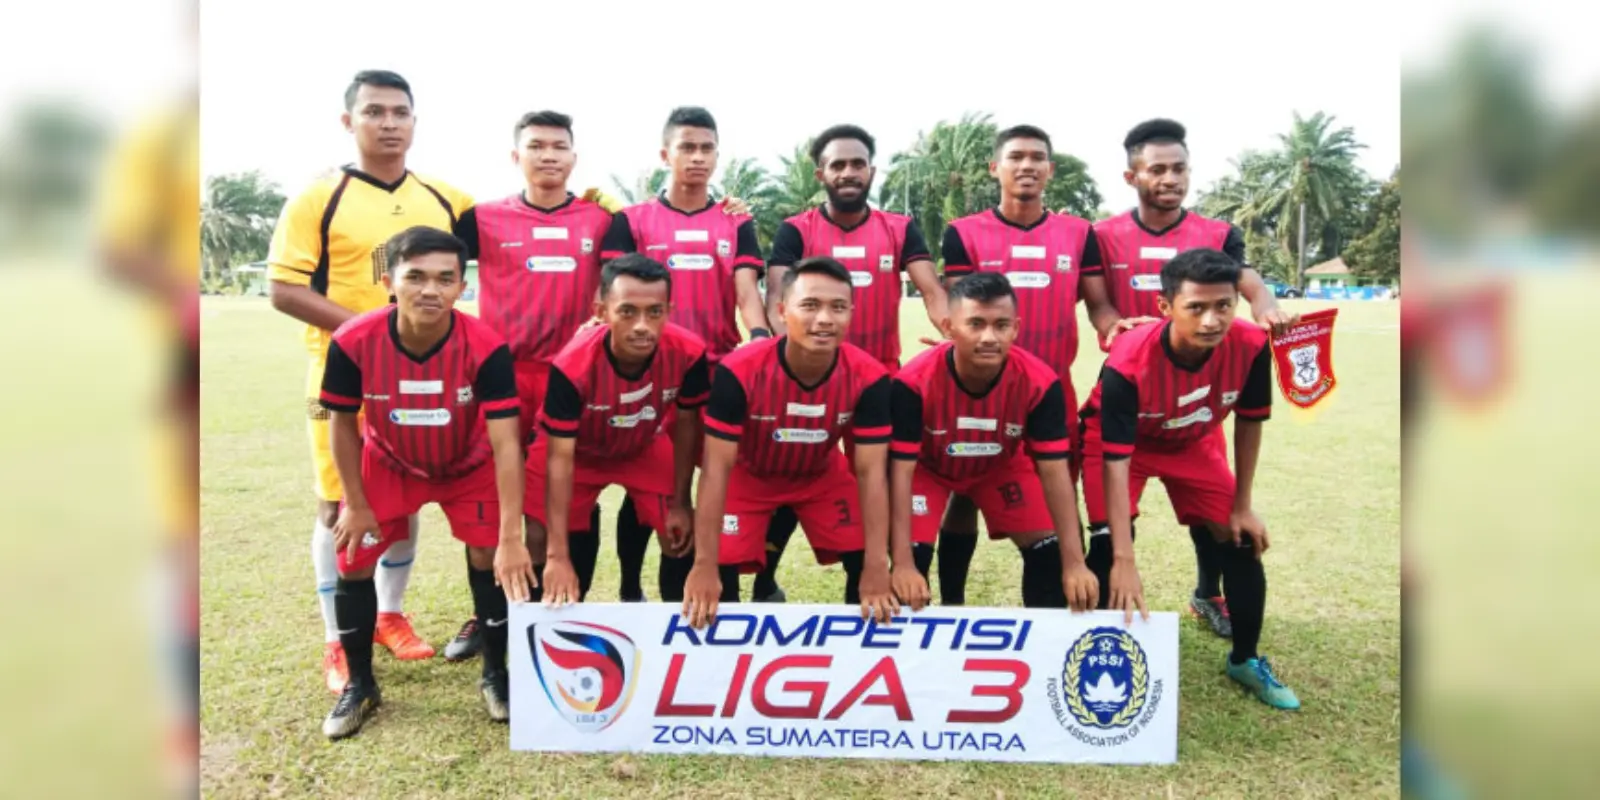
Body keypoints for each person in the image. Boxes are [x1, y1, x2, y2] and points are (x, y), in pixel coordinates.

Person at [267, 70, 474, 691]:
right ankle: (338, 638)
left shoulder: (445, 199)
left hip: (421, 378)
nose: (389, 123)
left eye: (400, 112)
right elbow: (283, 288)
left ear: (414, 121)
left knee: (402, 496)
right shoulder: (317, 199)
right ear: (348, 121)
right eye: (374, 111)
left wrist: (601, 204)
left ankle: (388, 614)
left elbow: (522, 222)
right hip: (343, 373)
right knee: (338, 502)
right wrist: (372, 332)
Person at [1091, 118, 1299, 638]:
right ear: (1132, 176)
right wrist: (1114, 326)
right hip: (1132, 385)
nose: (1171, 178)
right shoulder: (1103, 235)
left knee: (1214, 517)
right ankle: (1103, 626)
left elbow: (1246, 280)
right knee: (1109, 528)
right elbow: (1097, 302)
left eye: (1179, 168)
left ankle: (1208, 595)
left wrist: (1265, 304)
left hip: (1195, 400)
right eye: (1158, 169)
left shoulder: (1218, 234)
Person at [315, 227, 525, 739]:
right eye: (416, 277)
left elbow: (506, 443)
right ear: (390, 281)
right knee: (354, 558)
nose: (431, 289)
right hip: (388, 463)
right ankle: (360, 684)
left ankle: (495, 675)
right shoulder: (353, 341)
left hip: (468, 466)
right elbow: (341, 424)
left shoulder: (486, 346)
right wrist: (354, 503)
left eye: (445, 279)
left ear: (461, 287)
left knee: (488, 557)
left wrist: (511, 535)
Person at [1078, 247, 1300, 710]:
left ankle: (1245, 659)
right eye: (1195, 307)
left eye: (1223, 306)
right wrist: (1124, 557)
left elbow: (1250, 422)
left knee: (1241, 539)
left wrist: (1242, 505)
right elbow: (1116, 460)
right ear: (1165, 306)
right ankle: (1092, 658)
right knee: (1106, 545)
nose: (1211, 321)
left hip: (1191, 439)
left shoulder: (1251, 344)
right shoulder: (1128, 360)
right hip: (1124, 445)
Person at [440, 110, 618, 663]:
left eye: (558, 146)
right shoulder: (482, 218)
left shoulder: (601, 220)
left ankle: (559, 611)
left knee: (565, 496)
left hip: (572, 377)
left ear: (574, 157)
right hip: (500, 376)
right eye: (536, 145)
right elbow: (426, 259)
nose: (548, 155)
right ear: (515, 156)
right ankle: (491, 612)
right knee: (494, 499)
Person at [753, 123, 950, 604]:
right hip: (809, 384)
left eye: (857, 163)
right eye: (837, 164)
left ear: (871, 172)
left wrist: (956, 331)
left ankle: (862, 588)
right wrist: (794, 365)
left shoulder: (899, 229)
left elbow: (931, 291)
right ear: (820, 173)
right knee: (796, 472)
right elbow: (777, 299)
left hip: (877, 384)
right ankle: (763, 579)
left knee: (874, 486)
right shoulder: (796, 230)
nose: (848, 172)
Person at [935, 124, 1125, 606]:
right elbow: (957, 306)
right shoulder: (963, 232)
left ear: (1050, 170)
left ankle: (1052, 611)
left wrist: (1118, 328)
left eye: (1037, 157)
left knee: (1057, 496)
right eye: (1016, 156)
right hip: (983, 388)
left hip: (1052, 391)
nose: (1027, 165)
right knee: (964, 490)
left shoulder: (1078, 233)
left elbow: (1099, 305)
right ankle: (953, 604)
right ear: (995, 168)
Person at [600, 106, 766, 604]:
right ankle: (630, 590)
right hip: (650, 374)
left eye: (707, 148)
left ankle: (715, 589)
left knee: (721, 484)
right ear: (664, 154)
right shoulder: (631, 221)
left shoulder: (735, 222)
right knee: (650, 487)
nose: (697, 157)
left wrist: (759, 334)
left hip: (716, 373)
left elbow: (746, 290)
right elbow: (614, 293)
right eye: (687, 147)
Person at [679, 257, 898, 628]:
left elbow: (871, 473)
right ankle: (728, 648)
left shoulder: (870, 377)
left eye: (838, 307)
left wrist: (878, 565)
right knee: (718, 565)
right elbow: (716, 470)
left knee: (866, 557)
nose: (825, 319)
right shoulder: (739, 370)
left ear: (851, 314)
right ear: (781, 311)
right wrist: (703, 564)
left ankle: (858, 648)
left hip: (821, 475)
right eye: (810, 305)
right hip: (748, 476)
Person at [505, 254, 709, 607]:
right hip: (575, 451)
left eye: (655, 312)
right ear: (601, 312)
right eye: (627, 311)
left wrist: (681, 502)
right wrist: (557, 555)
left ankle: (677, 628)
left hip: (642, 443)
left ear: (669, 311)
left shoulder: (689, 352)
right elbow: (560, 458)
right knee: (540, 536)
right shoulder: (572, 366)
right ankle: (543, 622)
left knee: (679, 532)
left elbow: (687, 424)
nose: (642, 325)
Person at [889, 273, 1097, 611]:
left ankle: (1037, 640)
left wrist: (1074, 563)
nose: (989, 337)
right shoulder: (912, 383)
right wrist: (901, 563)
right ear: (949, 327)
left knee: (1051, 557)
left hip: (1000, 466)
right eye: (975, 324)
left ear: (1016, 328)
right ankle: (945, 610)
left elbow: (1055, 473)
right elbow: (900, 473)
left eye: (1001, 325)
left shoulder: (1040, 381)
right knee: (909, 570)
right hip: (928, 471)